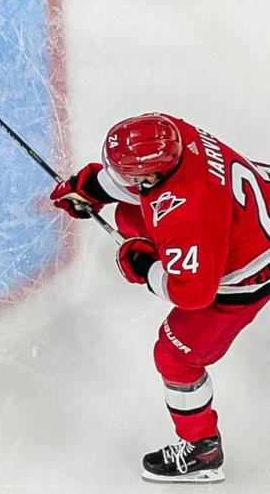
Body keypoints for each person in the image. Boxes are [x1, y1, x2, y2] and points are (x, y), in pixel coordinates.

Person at [51, 112, 270, 484]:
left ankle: (202, 452)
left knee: (175, 357)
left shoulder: (186, 213)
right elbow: (144, 184)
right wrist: (88, 187)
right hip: (253, 207)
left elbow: (192, 293)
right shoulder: (170, 132)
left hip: (248, 274)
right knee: (126, 215)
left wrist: (144, 265)